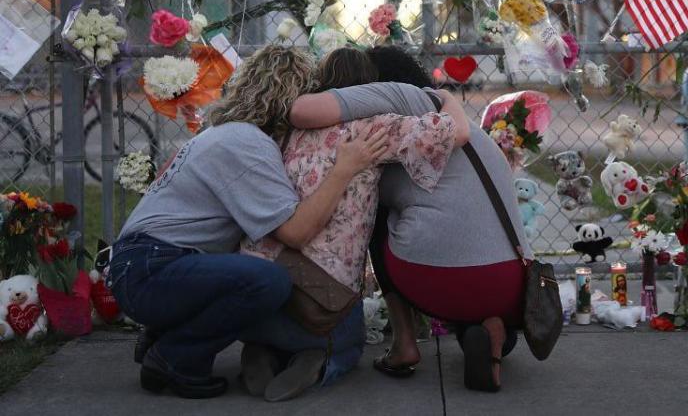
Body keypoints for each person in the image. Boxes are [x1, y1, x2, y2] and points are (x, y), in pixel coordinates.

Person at [106, 46, 387, 399]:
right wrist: (345, 169)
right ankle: (175, 358)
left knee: (258, 276)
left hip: (144, 266)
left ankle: (170, 335)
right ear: (291, 99)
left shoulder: (223, 133)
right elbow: (296, 232)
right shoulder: (247, 144)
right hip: (151, 270)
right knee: (268, 282)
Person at [289, 45, 536, 393]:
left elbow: (301, 111)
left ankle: (404, 342)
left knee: (377, 211)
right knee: (500, 333)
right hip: (510, 281)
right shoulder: (461, 126)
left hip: (433, 273)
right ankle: (489, 328)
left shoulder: (393, 115)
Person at [240, 47, 469, 400]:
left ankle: (261, 348)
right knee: (350, 341)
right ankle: (323, 360)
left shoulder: (285, 130)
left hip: (258, 270)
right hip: (320, 288)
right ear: (369, 88)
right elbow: (454, 133)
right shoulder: (372, 127)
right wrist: (445, 98)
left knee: (274, 316)